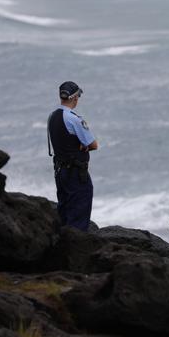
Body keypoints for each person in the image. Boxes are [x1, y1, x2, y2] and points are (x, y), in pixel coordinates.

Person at [47, 81, 98, 231]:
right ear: (75, 98)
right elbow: (94, 145)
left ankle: (62, 244)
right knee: (78, 215)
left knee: (65, 211)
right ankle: (76, 248)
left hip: (60, 171)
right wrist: (82, 145)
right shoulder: (74, 119)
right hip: (75, 173)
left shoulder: (52, 116)